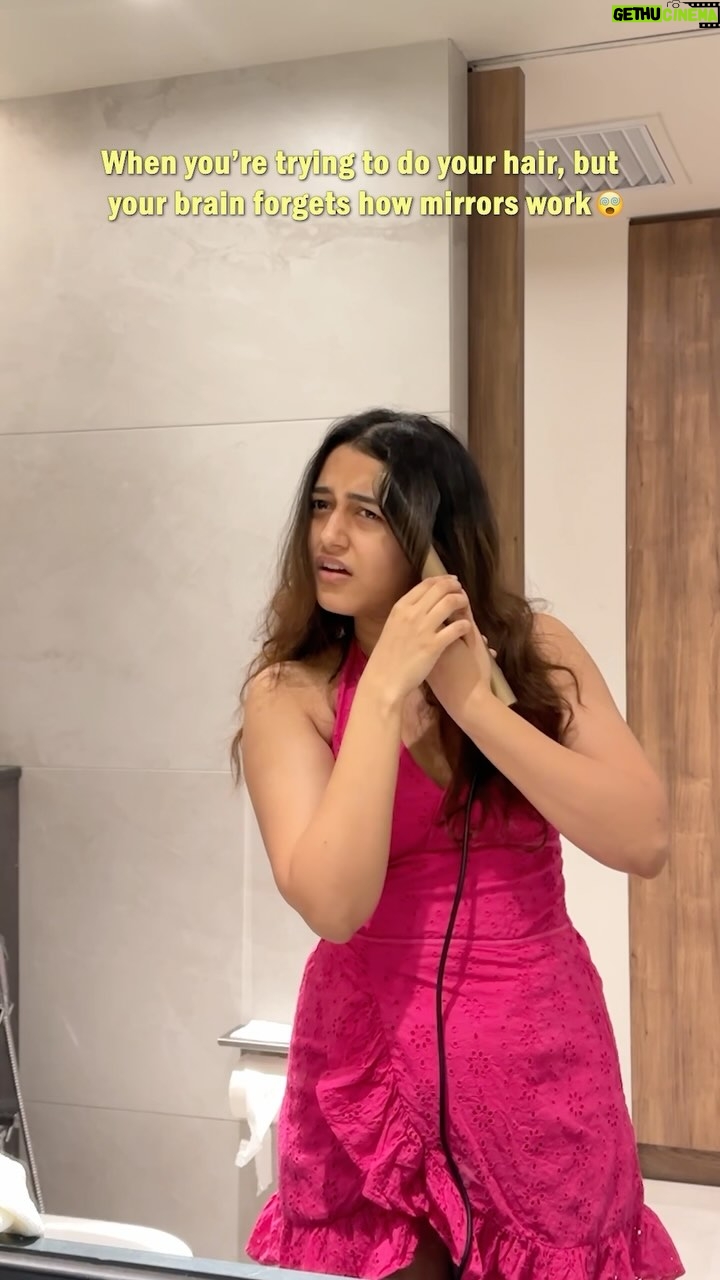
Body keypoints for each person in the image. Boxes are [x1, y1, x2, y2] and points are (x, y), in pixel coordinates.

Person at [231, 409, 684, 1280]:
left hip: (537, 1056)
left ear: (435, 538)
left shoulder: (538, 652)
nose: (330, 535)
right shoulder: (291, 692)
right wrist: (383, 690)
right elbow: (333, 904)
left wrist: (475, 705)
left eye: (367, 512)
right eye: (321, 506)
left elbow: (643, 839)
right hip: (367, 1061)